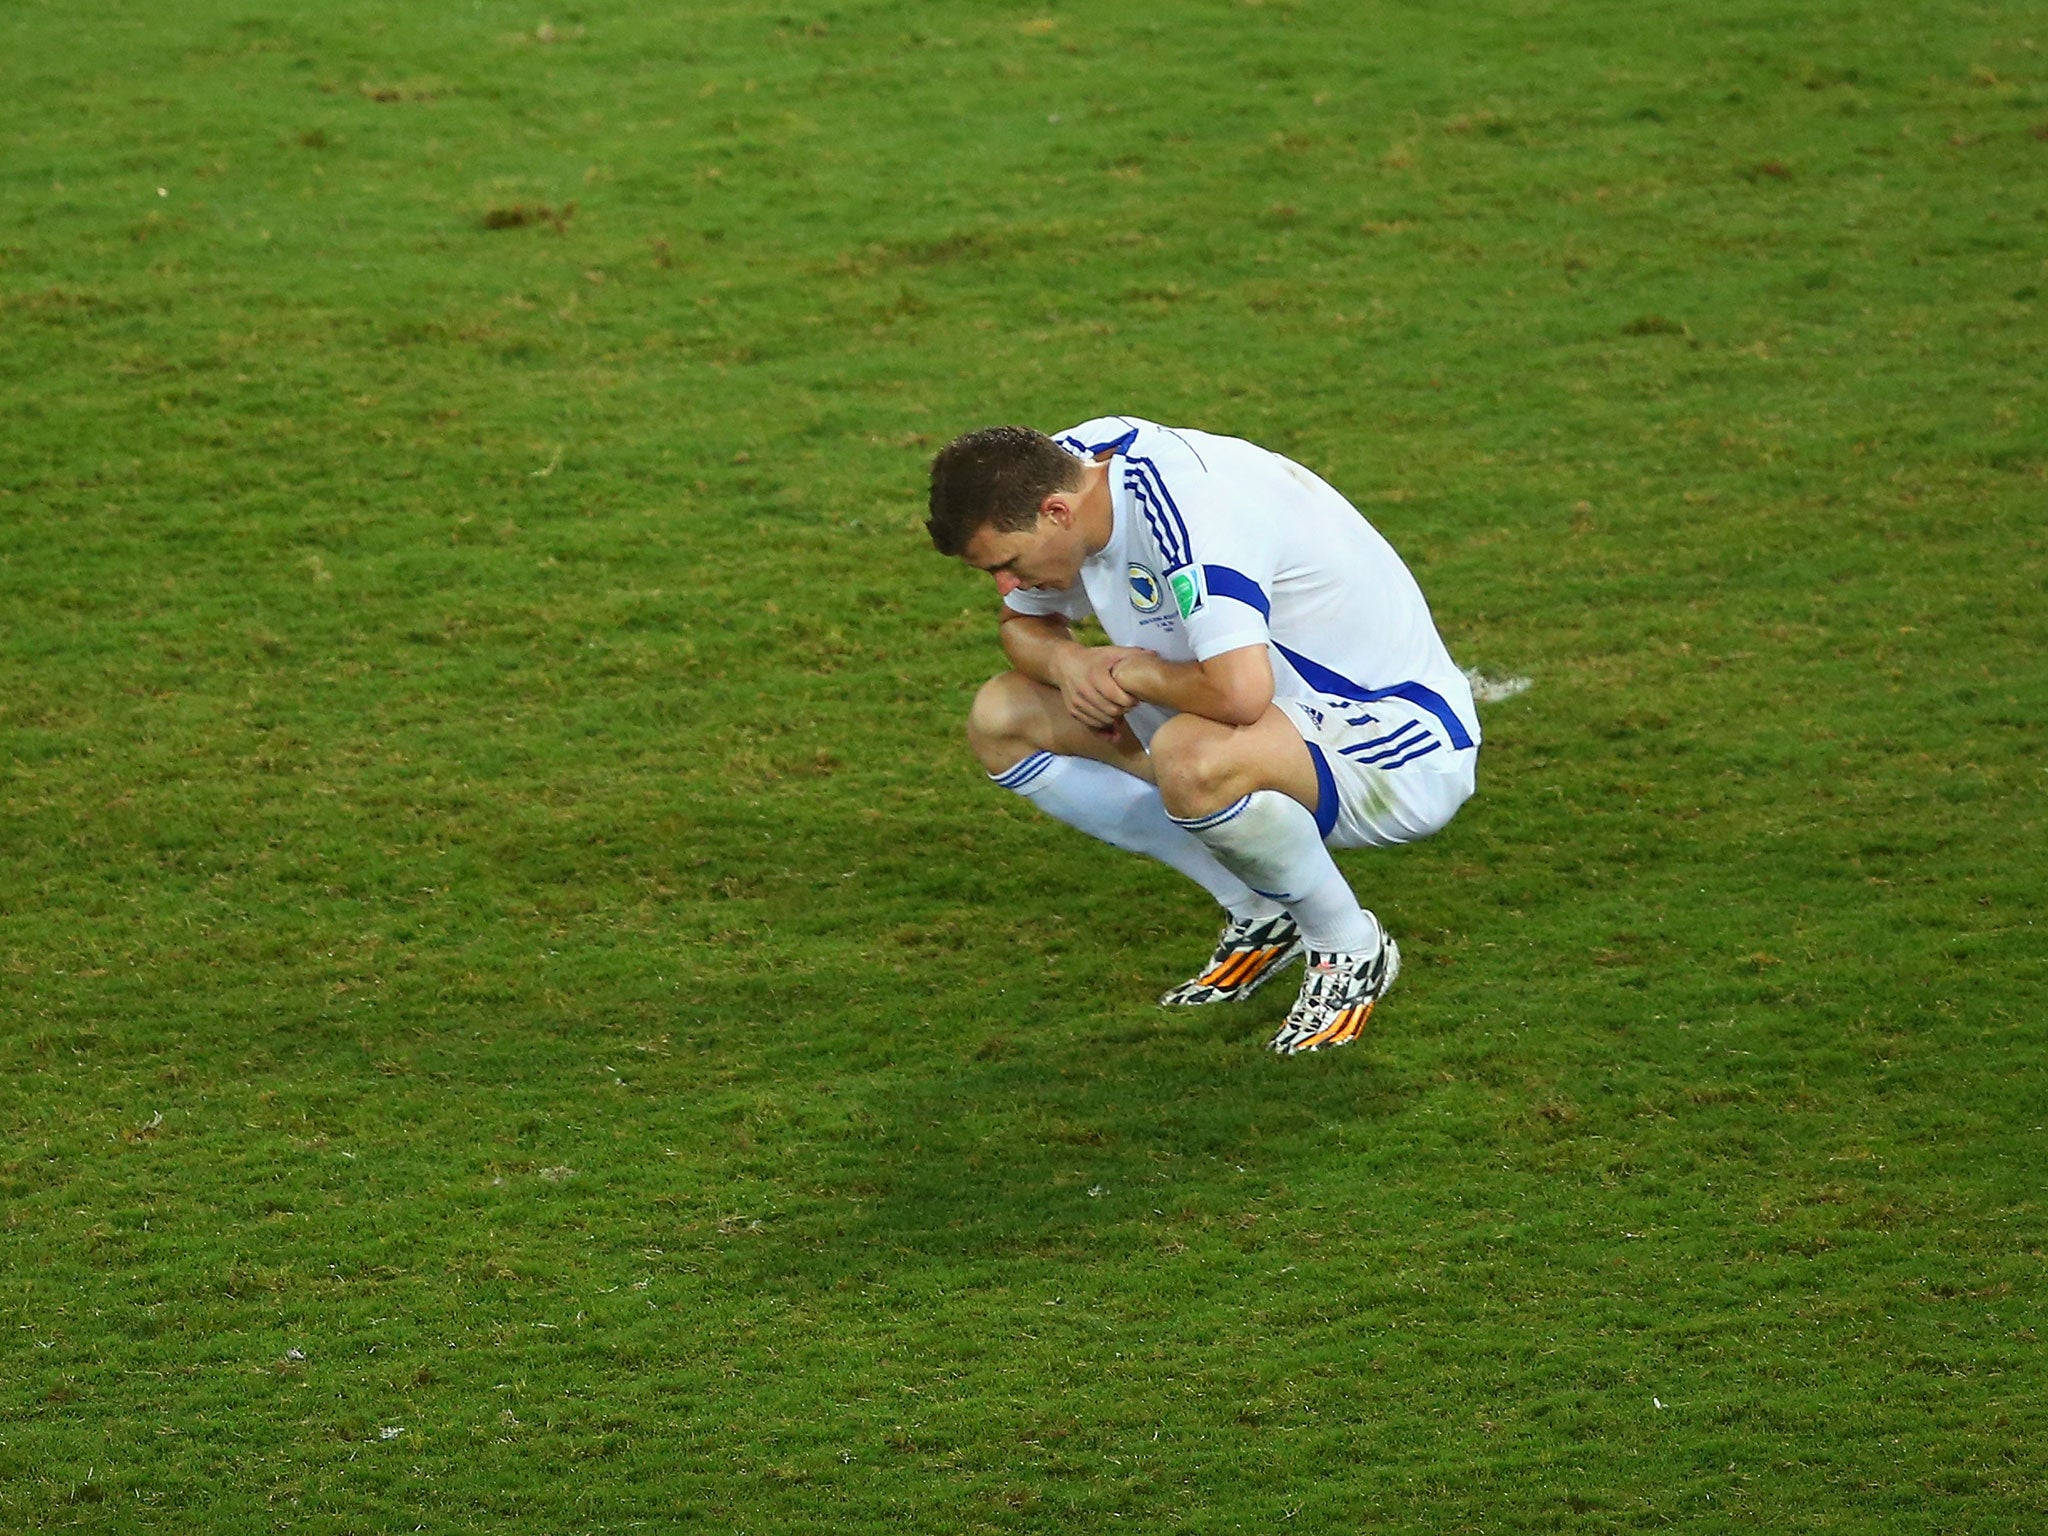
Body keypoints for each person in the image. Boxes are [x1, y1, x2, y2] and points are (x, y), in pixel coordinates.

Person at [926, 416, 1480, 1056]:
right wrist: (1069, 664)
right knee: (1004, 715)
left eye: (1008, 564)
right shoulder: (1073, 474)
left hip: (1394, 743)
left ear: (1056, 513)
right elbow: (1019, 627)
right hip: (1267, 721)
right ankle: (1260, 907)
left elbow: (1240, 694)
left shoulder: (1195, 515)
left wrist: (1128, 668)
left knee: (1191, 756)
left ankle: (1348, 948)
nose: (1006, 585)